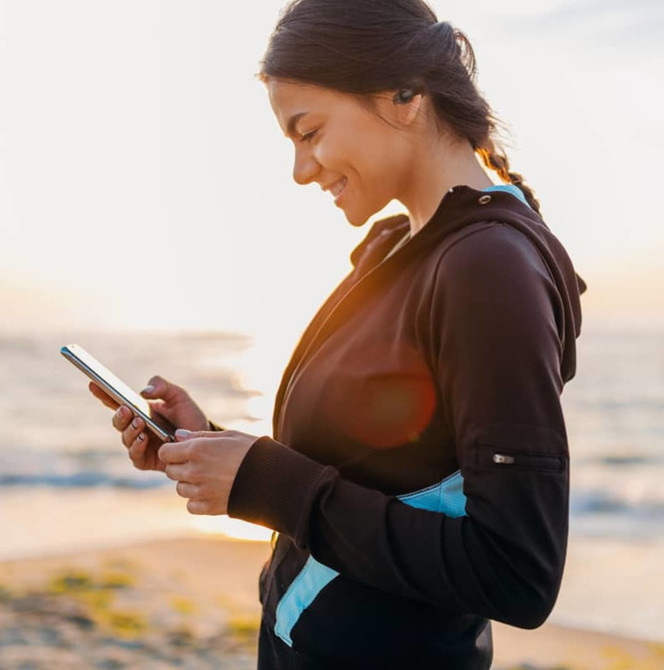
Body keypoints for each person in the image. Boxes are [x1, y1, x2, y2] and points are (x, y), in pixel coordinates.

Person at [90, 0, 586, 667]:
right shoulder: (395, 249)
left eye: (310, 131)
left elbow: (516, 572)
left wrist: (265, 482)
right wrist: (211, 450)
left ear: (405, 95)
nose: (301, 169)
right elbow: (378, 473)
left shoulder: (487, 267)